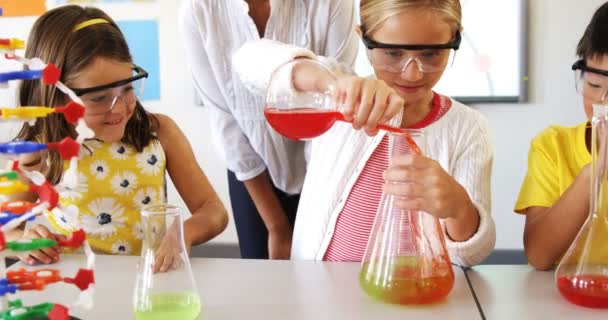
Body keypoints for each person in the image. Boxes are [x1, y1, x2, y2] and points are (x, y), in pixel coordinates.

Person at [234, 0, 495, 266]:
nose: (413, 74)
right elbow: (247, 60)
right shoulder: (338, 97)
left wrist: (460, 209)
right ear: (363, 38)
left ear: (455, 39)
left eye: (430, 54)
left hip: (413, 297)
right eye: (393, 54)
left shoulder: (469, 129)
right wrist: (332, 84)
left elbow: (471, 256)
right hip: (320, 292)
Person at [7, 5, 228, 272]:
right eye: (99, 98)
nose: (120, 108)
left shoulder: (159, 132)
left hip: (148, 284)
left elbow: (213, 210)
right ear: (56, 96)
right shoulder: (40, 150)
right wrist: (23, 239)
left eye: (127, 88)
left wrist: (182, 234)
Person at [178, 0, 359, 259]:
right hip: (251, 170)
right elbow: (225, 120)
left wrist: (310, 214)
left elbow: (334, 103)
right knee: (260, 273)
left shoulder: (332, 4)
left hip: (323, 165)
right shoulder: (198, 11)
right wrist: (278, 227)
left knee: (321, 267)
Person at [515, 2, 608, 270]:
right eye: (594, 85)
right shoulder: (553, 145)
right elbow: (539, 255)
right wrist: (593, 172)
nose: (604, 101)